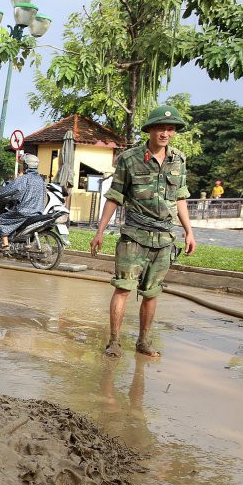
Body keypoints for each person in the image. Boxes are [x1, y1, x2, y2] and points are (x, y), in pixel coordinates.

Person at [90, 105, 196, 359]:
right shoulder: (129, 158)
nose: (165, 133)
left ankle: (143, 342)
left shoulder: (178, 160)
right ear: (150, 130)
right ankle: (114, 342)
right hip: (134, 236)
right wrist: (100, 231)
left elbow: (181, 198)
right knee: (123, 288)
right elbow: (114, 196)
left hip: (164, 239)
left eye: (170, 129)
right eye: (160, 128)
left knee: (151, 292)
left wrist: (189, 232)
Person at [0, 153, 46, 250]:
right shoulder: (40, 180)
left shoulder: (24, 179)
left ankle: (5, 244)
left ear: (26, 165)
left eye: (22, 164)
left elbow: (9, 189)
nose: (21, 166)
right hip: (38, 212)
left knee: (3, 219)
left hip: (23, 212)